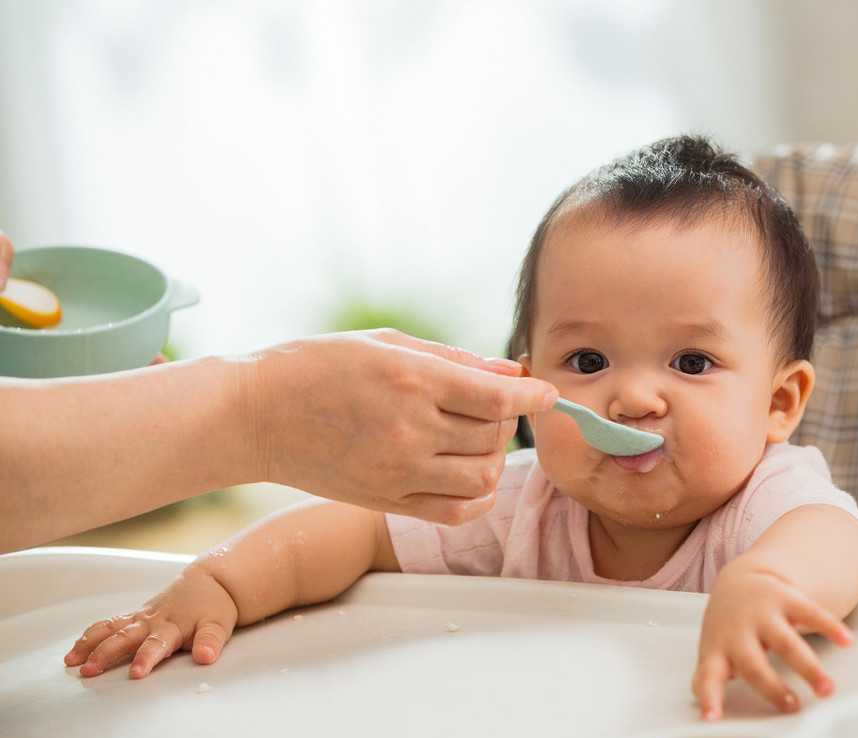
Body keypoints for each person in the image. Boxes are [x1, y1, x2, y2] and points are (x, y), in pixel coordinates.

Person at [65, 136, 858, 722]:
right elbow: (356, 530)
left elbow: (833, 543)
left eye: (692, 363)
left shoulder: (766, 509)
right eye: (589, 360)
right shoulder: (524, 501)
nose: (634, 399)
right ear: (525, 376)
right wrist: (221, 582)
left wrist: (769, 588)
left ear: (781, 404)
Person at [0, 229, 558, 553]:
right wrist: (259, 413)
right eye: (589, 360)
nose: (640, 400)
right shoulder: (512, 511)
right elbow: (345, 540)